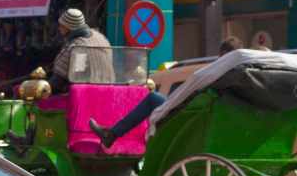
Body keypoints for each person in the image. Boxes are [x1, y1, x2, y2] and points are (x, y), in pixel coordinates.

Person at [89, 36, 243, 149]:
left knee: (153, 98)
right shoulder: (241, 76)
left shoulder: (218, 73)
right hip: (204, 116)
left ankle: (112, 134)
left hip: (194, 117)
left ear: (223, 55)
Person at [49, 8, 112, 93]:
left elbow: (75, 76)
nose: (59, 28)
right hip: (108, 90)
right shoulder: (101, 38)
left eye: (61, 25)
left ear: (67, 27)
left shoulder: (78, 47)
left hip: (86, 94)